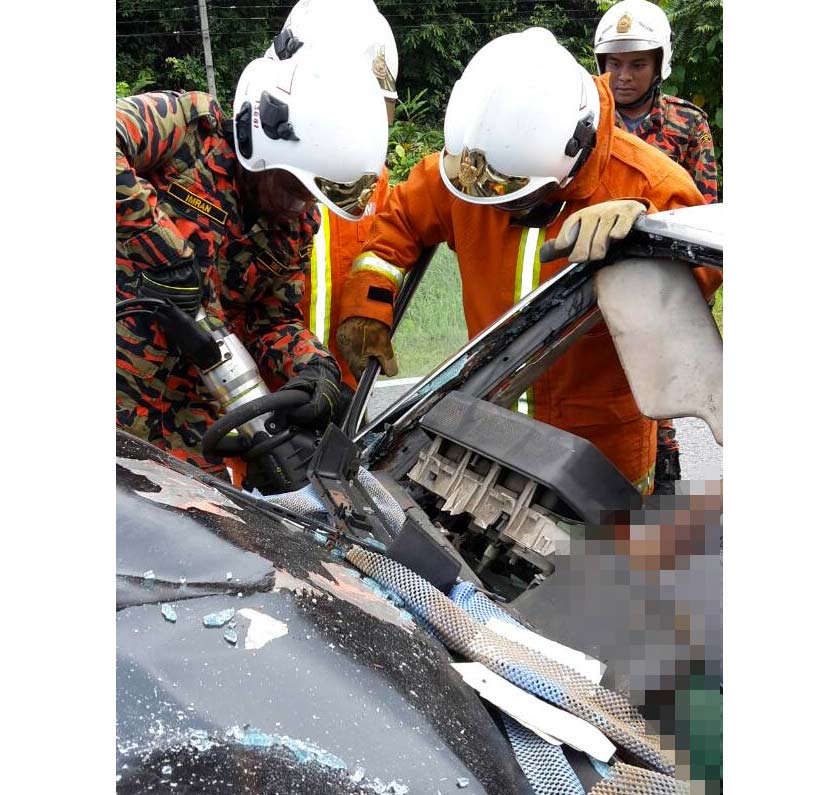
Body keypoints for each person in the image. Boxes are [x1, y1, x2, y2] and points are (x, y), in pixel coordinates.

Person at [335, 28, 721, 495]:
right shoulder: (477, 168)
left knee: (609, 542)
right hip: (486, 432)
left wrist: (646, 228)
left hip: (599, 450)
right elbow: (399, 222)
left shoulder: (649, 183)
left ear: (574, 151)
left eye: (518, 198)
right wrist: (368, 305)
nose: (501, 208)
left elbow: (705, 274)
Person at [116, 49, 388, 477]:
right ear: (262, 148)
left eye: (311, 196)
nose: (299, 206)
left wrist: (315, 366)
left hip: (186, 418)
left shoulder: (295, 228)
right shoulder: (184, 131)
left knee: (204, 518)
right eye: (292, 187)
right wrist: (160, 250)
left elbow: (272, 318)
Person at [594, 0, 720, 492]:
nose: (623, 77)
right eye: (613, 64)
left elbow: (704, 214)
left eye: (637, 64)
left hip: (663, 280)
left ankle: (662, 474)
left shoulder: (687, 125)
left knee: (656, 388)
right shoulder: (584, 123)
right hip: (591, 278)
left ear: (659, 64)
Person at [264, 0, 398, 392]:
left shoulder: (374, 179)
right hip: (265, 397)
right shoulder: (258, 167)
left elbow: (384, 252)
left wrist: (371, 310)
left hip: (344, 395)